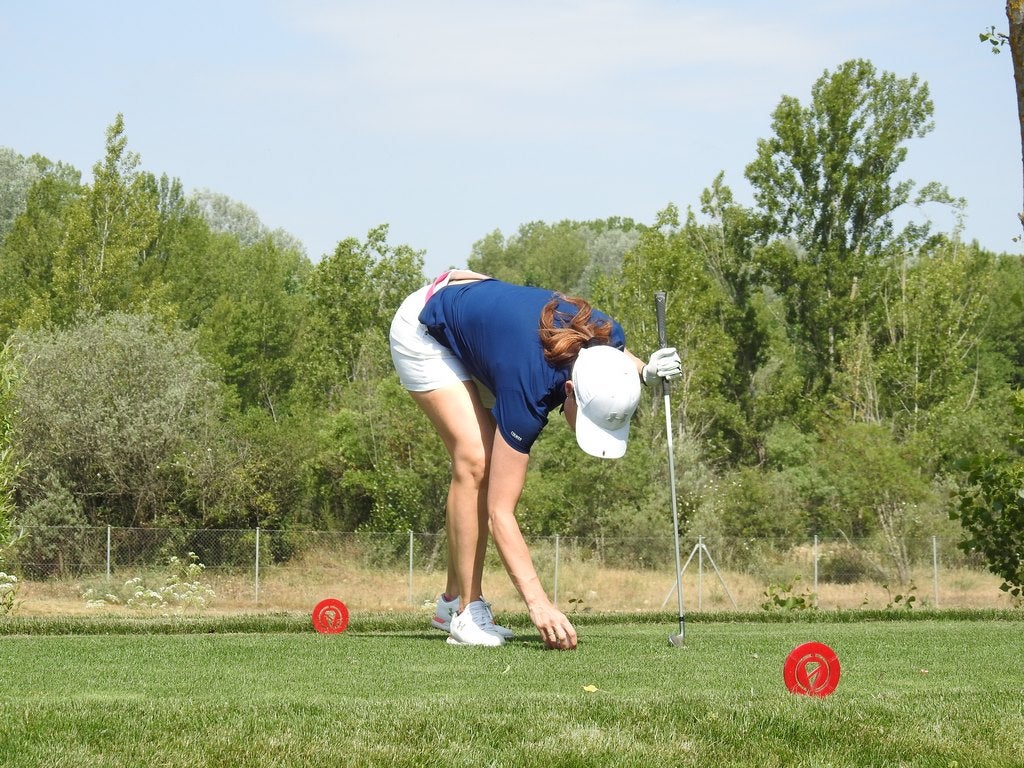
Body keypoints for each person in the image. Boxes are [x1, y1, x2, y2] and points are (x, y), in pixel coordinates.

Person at [388, 269, 681, 649]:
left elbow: (619, 358)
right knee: (476, 460)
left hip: (479, 314)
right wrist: (538, 604)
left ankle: (448, 604)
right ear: (569, 390)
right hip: (426, 325)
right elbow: (500, 513)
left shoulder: (608, 336)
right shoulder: (529, 385)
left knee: (481, 460)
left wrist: (647, 371)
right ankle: (466, 611)